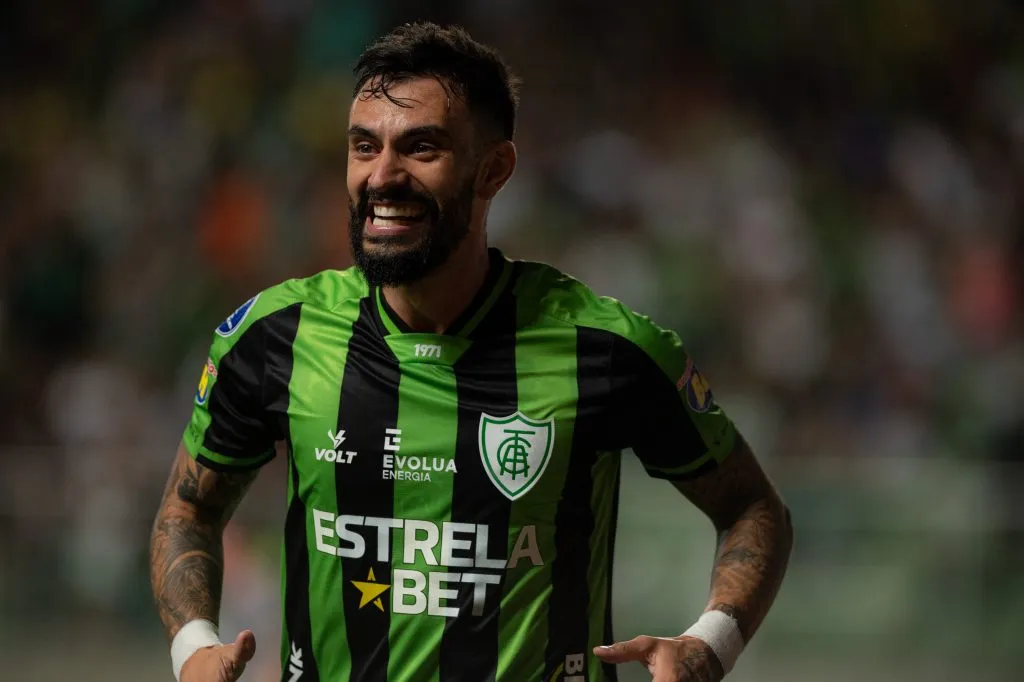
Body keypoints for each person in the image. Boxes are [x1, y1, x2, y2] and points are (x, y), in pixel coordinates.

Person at [149, 22, 793, 682]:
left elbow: (751, 506)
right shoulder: (272, 337)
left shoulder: (604, 349)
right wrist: (194, 644)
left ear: (495, 169)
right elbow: (189, 509)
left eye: (420, 147)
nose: (383, 176)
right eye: (364, 146)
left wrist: (710, 644)